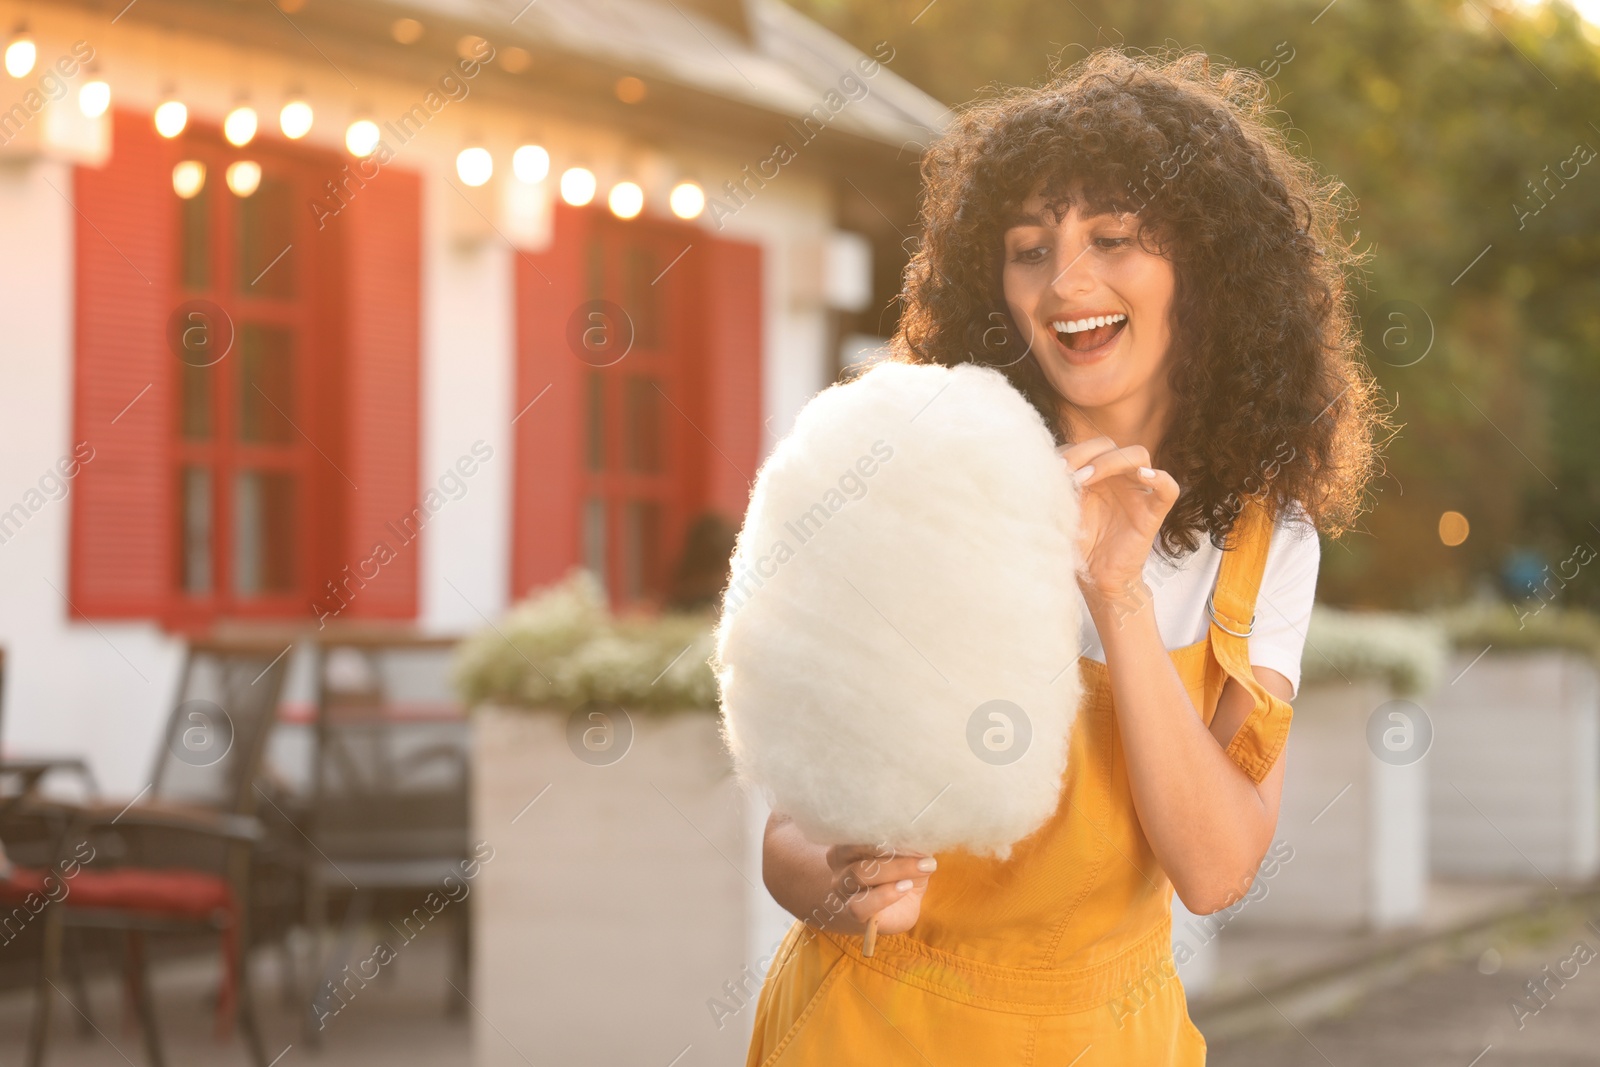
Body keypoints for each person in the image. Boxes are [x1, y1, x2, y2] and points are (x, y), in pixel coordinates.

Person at [746, 49, 1387, 1064]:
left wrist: (1117, 588)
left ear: (1205, 266)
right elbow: (788, 831)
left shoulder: (1268, 542)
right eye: (1028, 248)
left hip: (1111, 1033)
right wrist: (839, 880)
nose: (1066, 282)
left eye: (1113, 238)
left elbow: (1214, 869)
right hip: (876, 1024)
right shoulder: (918, 471)